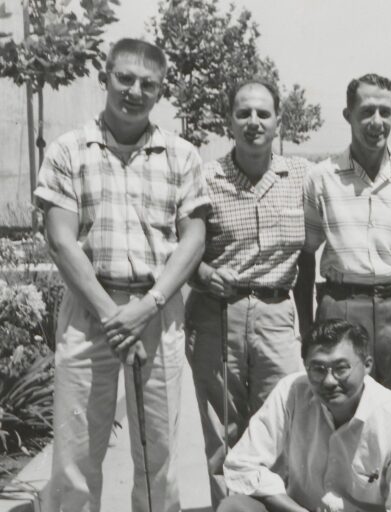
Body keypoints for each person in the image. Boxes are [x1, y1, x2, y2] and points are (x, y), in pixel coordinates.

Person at [34, 39, 210, 512]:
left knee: (160, 454)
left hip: (157, 309)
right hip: (90, 314)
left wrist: (147, 306)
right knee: (75, 454)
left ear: (161, 91)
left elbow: (193, 238)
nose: (134, 91)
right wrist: (114, 316)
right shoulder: (70, 150)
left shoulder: (182, 155)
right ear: (105, 77)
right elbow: (60, 239)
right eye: (124, 78)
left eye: (147, 84)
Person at [184, 77, 315, 508]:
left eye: (263, 113)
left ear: (279, 121)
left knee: (283, 424)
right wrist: (201, 272)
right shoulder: (206, 177)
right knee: (224, 428)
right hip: (218, 312)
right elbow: (177, 244)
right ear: (230, 121)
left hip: (277, 313)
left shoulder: (302, 176)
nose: (253, 122)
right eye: (244, 113)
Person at [302, 73, 391, 428]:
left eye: (385, 112)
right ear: (348, 114)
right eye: (366, 111)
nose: (376, 122)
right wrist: (306, 325)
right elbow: (306, 253)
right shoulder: (322, 178)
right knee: (341, 418)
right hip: (341, 305)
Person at [218, 319, 391, 512]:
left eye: (341, 368)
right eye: (318, 369)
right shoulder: (291, 392)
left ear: (367, 365)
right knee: (235, 507)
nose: (329, 381)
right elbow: (241, 465)